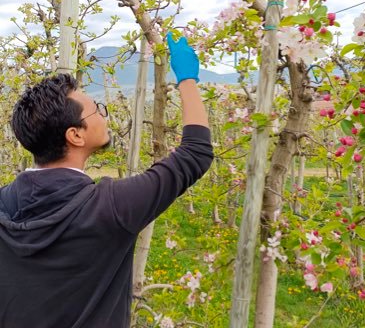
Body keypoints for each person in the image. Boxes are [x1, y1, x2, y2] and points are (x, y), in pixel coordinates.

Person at [0, 33, 213, 328]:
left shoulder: (3, 203)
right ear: (75, 135)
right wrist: (187, 80)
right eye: (97, 110)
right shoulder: (111, 208)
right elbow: (196, 154)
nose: (104, 114)